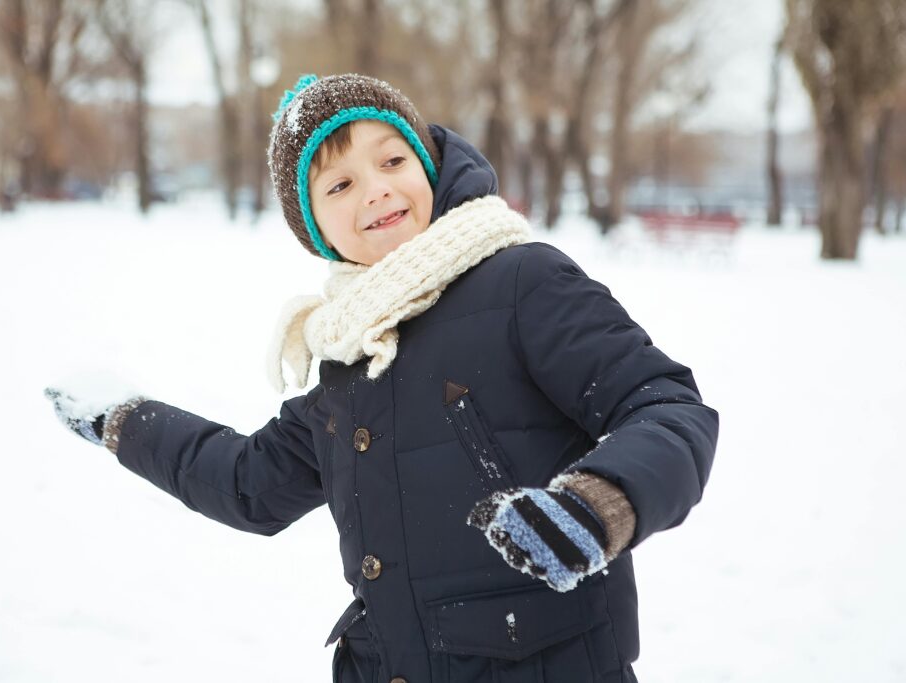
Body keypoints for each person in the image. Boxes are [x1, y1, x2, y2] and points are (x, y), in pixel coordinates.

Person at [46, 74, 719, 683]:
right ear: (316, 230)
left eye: (393, 160)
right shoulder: (348, 360)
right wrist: (123, 420)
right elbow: (249, 484)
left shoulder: (523, 282)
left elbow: (666, 408)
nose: (376, 189)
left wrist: (598, 504)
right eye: (339, 185)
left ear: (427, 164)